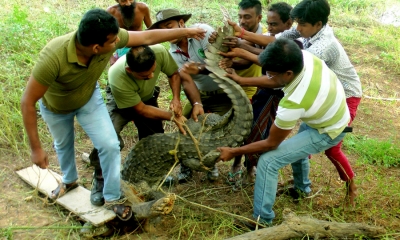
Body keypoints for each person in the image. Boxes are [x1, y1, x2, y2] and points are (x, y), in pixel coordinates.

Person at [20, 8, 206, 220]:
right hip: (56, 108)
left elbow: (148, 36)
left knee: (109, 144)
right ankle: (69, 180)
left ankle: (112, 197)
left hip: (88, 101)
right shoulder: (54, 56)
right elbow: (27, 102)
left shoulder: (109, 39)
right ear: (97, 48)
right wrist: (36, 148)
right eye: (114, 41)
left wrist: (187, 31)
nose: (119, 41)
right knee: (63, 144)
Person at [226, 0, 362, 206]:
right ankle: (302, 186)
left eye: (302, 24)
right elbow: (276, 45)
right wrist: (242, 36)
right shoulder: (303, 52)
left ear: (318, 24)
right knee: (300, 145)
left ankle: (350, 184)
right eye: (296, 23)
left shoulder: (320, 50)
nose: (297, 28)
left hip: (345, 95)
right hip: (324, 96)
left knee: (329, 148)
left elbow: (272, 142)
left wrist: (243, 57)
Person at [218, 38, 350, 226]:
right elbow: (275, 78)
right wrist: (240, 79)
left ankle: (262, 220)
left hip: (329, 130)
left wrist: (233, 151)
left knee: (268, 161)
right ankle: (301, 189)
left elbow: (271, 143)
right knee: (297, 148)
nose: (269, 78)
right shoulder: (303, 57)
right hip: (329, 112)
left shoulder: (293, 102)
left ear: (288, 73)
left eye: (271, 75)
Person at [88, 44, 204, 205]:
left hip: (147, 97)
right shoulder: (117, 76)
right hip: (121, 103)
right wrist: (171, 116)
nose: (151, 77)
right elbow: (141, 110)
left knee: (154, 136)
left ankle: (150, 176)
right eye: (144, 76)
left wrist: (176, 98)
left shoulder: (159, 52)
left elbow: (173, 74)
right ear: (130, 71)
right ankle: (100, 180)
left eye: (153, 71)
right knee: (107, 138)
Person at [149, 8, 230, 183]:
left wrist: (199, 68)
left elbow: (220, 63)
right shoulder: (172, 52)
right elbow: (186, 79)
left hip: (224, 92)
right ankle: (186, 165)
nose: (167, 32)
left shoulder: (203, 33)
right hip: (201, 93)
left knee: (217, 130)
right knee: (183, 123)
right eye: (163, 29)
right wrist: (196, 103)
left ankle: (211, 164)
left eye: (169, 26)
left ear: (181, 23)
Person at [218, 1, 294, 185]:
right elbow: (252, 49)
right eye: (270, 24)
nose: (271, 27)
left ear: (289, 24)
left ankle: (262, 170)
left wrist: (241, 48)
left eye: (275, 24)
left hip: (279, 94)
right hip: (264, 92)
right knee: (252, 130)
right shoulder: (266, 35)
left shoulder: (290, 43)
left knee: (270, 135)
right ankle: (246, 167)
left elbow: (265, 60)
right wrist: (233, 46)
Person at [107, 0, 152, 64]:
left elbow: (151, 30)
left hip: (140, 47)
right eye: (123, 1)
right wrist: (111, 58)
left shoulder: (143, 8)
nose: (128, 3)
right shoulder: (111, 12)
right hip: (121, 49)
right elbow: (106, 35)